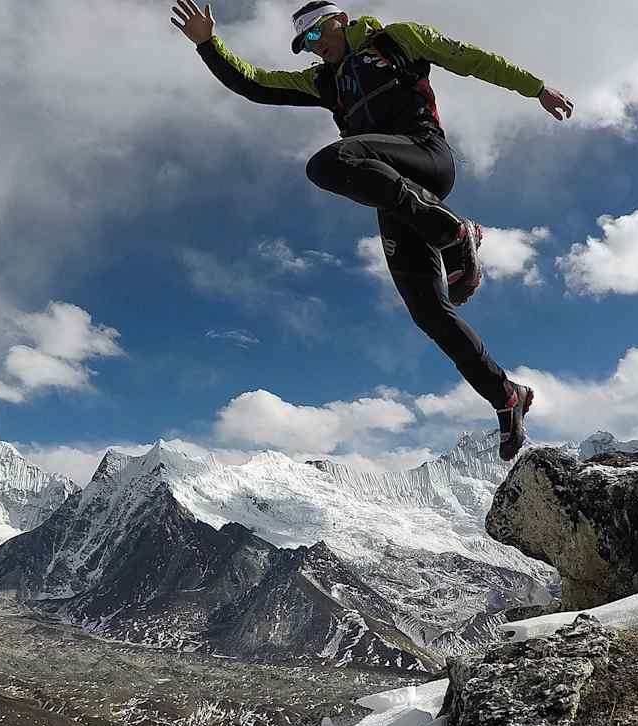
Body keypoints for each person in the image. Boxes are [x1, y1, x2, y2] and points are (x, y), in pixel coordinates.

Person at [169, 0, 572, 460]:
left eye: (318, 37)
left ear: (340, 21)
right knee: (428, 313)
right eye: (306, 45)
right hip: (395, 195)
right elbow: (257, 84)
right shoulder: (325, 81)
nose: (315, 51)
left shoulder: (397, 39)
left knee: (330, 160)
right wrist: (209, 45)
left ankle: (454, 232)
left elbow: (472, 58)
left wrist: (536, 89)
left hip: (425, 157)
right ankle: (506, 396)